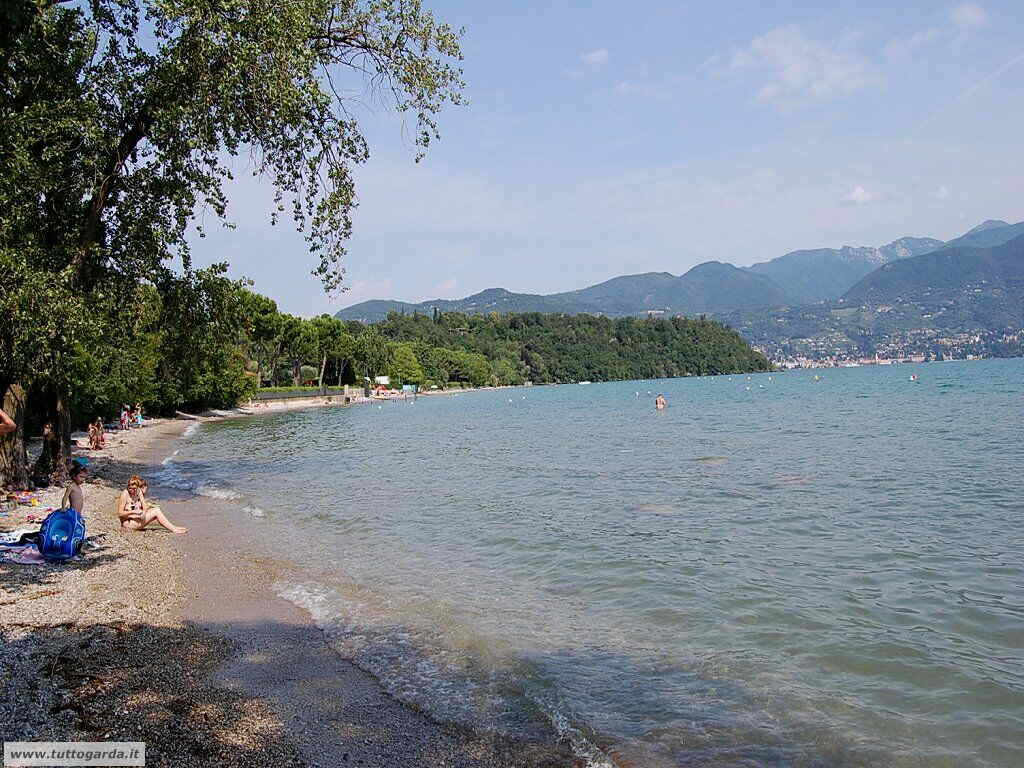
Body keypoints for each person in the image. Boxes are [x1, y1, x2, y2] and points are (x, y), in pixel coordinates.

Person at [117, 475, 188, 534]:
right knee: (156, 511)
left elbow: (144, 505)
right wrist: (133, 512)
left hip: (138, 519)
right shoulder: (125, 493)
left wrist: (143, 513)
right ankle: (173, 529)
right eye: (131, 489)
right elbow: (120, 513)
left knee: (155, 510)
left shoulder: (138, 491)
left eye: (135, 489)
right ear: (128, 486)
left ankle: (173, 527)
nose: (133, 491)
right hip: (129, 524)